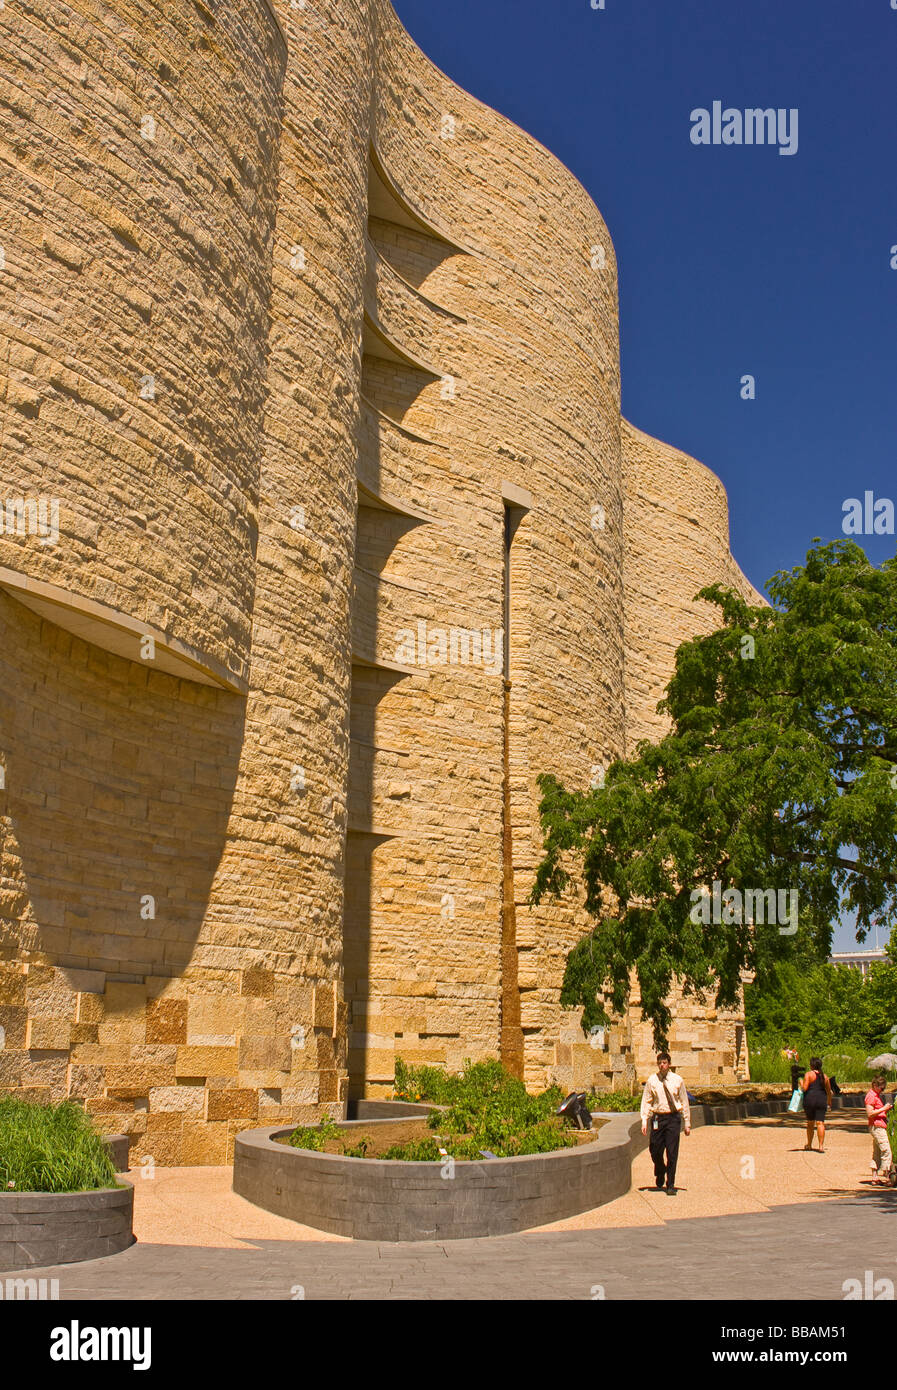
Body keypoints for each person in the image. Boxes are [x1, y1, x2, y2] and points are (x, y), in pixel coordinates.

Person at [640, 1051, 691, 1194]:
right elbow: (646, 1101)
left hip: (673, 1118)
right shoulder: (652, 1080)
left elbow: (684, 1101)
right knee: (655, 1149)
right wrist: (644, 1119)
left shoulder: (677, 1080)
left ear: (669, 1064)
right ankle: (660, 1170)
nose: (662, 1066)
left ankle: (670, 1184)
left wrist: (687, 1122)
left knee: (672, 1152)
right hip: (658, 1118)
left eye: (664, 1063)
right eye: (660, 1063)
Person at [864, 1073, 893, 1186]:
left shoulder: (875, 1095)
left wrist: (885, 1110)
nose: (882, 1090)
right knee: (886, 1150)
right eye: (881, 1088)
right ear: (875, 1085)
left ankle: (875, 1177)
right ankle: (888, 1176)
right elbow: (870, 1113)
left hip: (879, 1125)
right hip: (877, 1126)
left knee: (877, 1151)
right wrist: (883, 1108)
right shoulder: (871, 1096)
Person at [800, 1056, 833, 1151]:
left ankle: (809, 1144)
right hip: (821, 1100)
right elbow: (828, 1091)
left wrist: (801, 1083)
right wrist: (829, 1102)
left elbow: (805, 1088)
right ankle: (821, 1146)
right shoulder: (825, 1076)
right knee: (820, 1123)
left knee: (810, 1123)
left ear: (811, 1065)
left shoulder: (808, 1074)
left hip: (809, 1100)